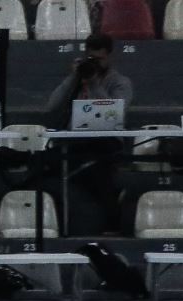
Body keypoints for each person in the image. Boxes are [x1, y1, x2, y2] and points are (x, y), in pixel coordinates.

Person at [45, 34, 132, 236]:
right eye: (91, 59)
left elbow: (114, 113)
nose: (95, 64)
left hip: (106, 140)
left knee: (96, 169)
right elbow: (51, 106)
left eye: (99, 59)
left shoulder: (120, 82)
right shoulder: (78, 78)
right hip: (75, 140)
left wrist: (94, 84)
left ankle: (108, 223)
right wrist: (73, 78)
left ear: (109, 57)